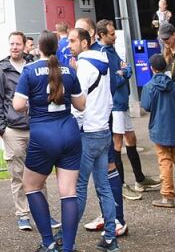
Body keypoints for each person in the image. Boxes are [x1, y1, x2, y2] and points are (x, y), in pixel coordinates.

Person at [11, 29, 85, 252]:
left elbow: (17, 105)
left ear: (38, 48)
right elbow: (81, 105)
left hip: (43, 134)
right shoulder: (69, 71)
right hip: (69, 132)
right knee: (69, 192)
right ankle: (68, 247)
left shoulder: (29, 70)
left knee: (31, 186)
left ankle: (48, 242)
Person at [68, 25, 118, 252]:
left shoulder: (84, 66)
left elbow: (79, 104)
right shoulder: (104, 63)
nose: (69, 46)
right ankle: (110, 238)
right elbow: (108, 100)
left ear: (85, 42)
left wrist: (74, 128)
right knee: (104, 187)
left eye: (72, 41)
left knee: (78, 190)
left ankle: (67, 239)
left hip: (87, 134)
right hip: (103, 131)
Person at [96, 19, 157, 198]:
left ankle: (139, 179)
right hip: (115, 105)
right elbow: (112, 80)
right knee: (117, 143)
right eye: (111, 33)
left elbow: (125, 69)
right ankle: (120, 185)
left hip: (122, 103)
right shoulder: (102, 54)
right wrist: (124, 74)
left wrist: (125, 71)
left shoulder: (111, 50)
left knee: (131, 138)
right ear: (101, 35)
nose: (115, 36)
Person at [0, 31, 33, 232]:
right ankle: (22, 215)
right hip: (13, 129)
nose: (14, 47)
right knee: (17, 175)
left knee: (38, 174)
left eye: (18, 44)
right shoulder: (2, 68)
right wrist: (1, 127)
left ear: (24, 45)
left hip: (34, 127)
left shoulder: (33, 65)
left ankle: (41, 213)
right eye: (11, 44)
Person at [140, 53, 175, 208]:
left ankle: (167, 197)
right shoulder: (173, 85)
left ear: (152, 68)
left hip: (159, 129)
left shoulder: (149, 86)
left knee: (165, 161)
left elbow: (146, 106)